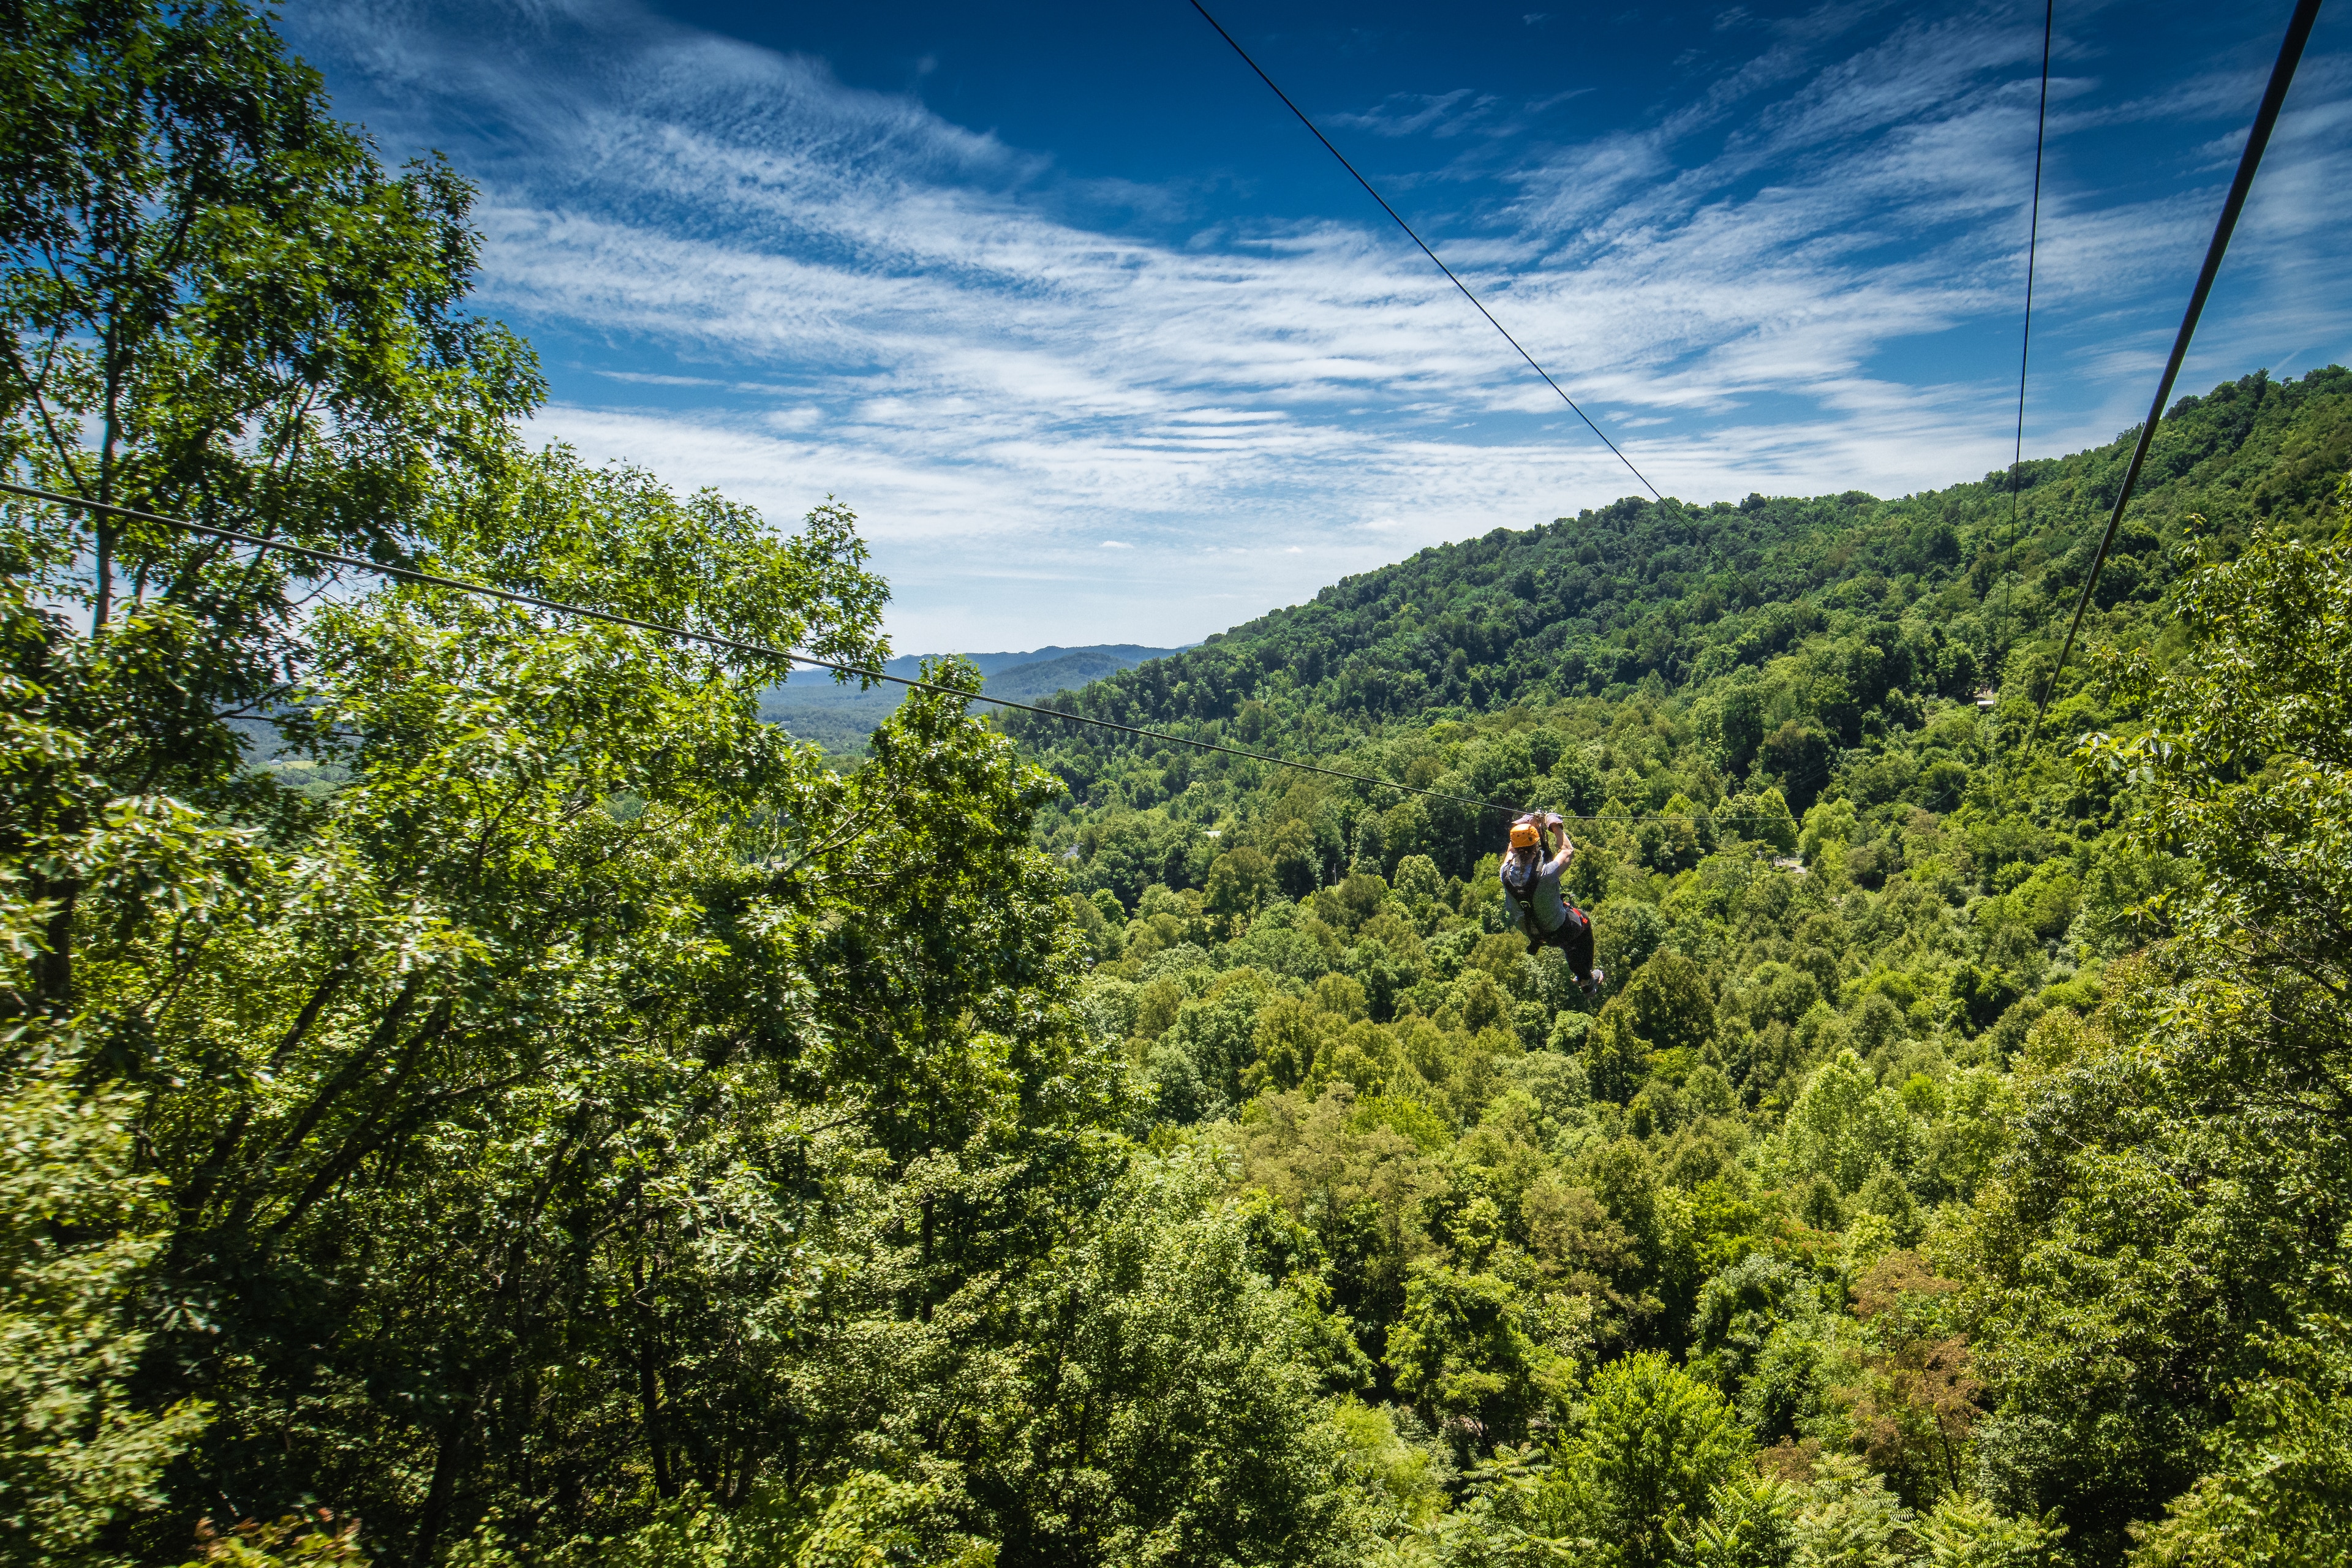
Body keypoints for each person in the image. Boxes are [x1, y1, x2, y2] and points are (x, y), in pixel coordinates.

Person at [1499, 812, 1604, 997]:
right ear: (1535, 846)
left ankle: (1582, 975)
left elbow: (1510, 851)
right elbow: (1567, 851)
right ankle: (1586, 978)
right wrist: (1555, 825)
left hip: (1532, 933)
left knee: (1563, 932)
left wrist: (1522, 824)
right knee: (1582, 923)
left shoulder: (1505, 873)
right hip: (1558, 930)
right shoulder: (1546, 874)